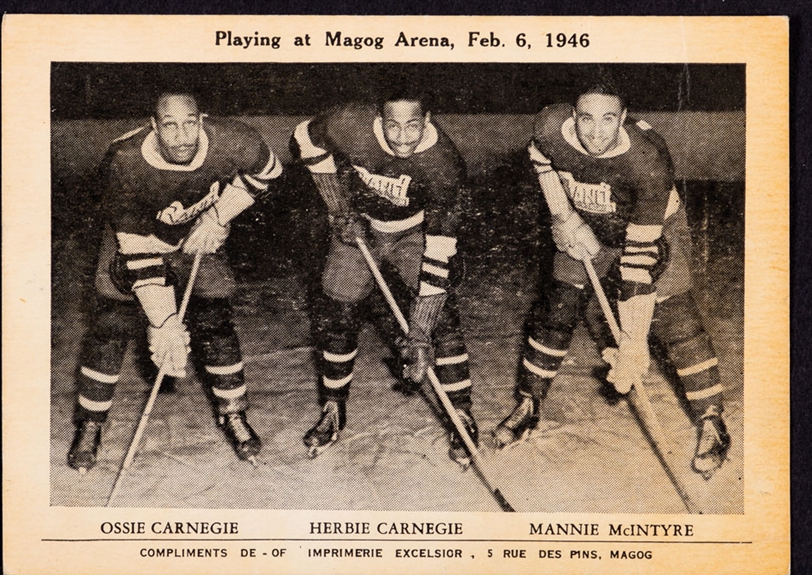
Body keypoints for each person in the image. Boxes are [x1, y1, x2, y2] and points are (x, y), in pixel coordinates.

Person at [492, 74, 731, 479]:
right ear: (573, 116)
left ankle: (711, 420)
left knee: (673, 317)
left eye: (607, 120)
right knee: (558, 305)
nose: (595, 132)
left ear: (623, 118)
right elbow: (541, 158)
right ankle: (528, 403)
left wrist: (633, 346)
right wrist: (564, 217)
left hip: (651, 228)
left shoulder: (648, 160)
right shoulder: (550, 127)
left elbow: (638, 261)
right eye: (586, 119)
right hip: (588, 224)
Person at [67, 90, 282, 472]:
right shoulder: (125, 161)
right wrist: (162, 320)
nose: (183, 136)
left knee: (215, 318)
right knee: (111, 325)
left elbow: (267, 172)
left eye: (190, 123)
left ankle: (233, 413)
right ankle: (90, 424)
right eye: (170, 125)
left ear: (203, 118)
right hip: (135, 242)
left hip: (197, 235)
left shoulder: (233, 139)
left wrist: (219, 217)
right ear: (154, 126)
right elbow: (135, 247)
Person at [290, 88, 477, 466]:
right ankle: (333, 409)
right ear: (379, 120)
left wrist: (420, 330)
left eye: (413, 126)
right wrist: (337, 207)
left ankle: (461, 414)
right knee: (338, 312)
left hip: (414, 233)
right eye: (393, 125)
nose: (403, 137)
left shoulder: (444, 165)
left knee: (440, 317)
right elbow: (304, 138)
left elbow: (439, 256)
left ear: (427, 121)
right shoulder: (349, 124)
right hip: (359, 227)